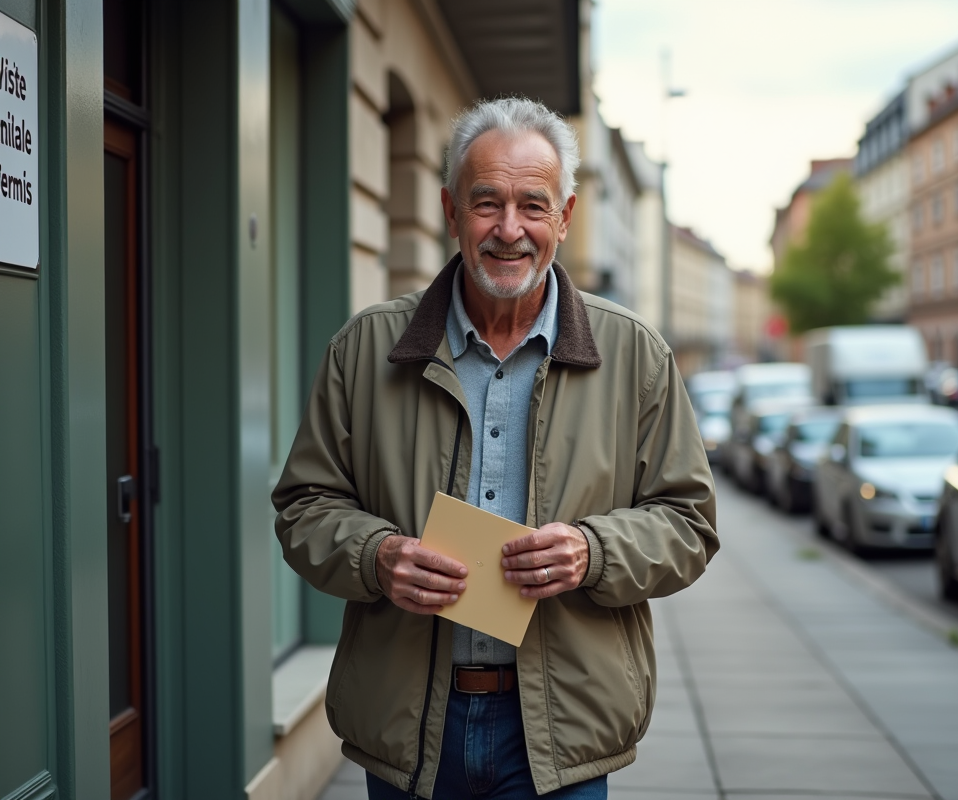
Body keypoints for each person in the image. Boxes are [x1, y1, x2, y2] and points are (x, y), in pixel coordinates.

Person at [273, 96, 718, 800]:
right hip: (409, 721)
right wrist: (375, 556)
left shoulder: (635, 355)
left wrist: (593, 551)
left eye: (533, 206)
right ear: (451, 212)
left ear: (565, 218)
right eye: (487, 204)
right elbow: (304, 505)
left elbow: (689, 522)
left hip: (563, 730)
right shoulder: (365, 349)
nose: (509, 230)